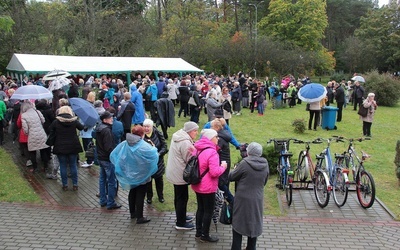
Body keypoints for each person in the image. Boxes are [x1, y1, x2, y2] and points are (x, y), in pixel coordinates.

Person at [110, 125, 158, 224]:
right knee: (140, 194)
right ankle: (140, 217)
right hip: (142, 175)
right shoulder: (144, 145)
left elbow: (116, 155)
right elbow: (153, 155)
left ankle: (133, 213)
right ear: (142, 134)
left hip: (130, 174)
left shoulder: (125, 143)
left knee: (132, 192)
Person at [228, 142, 269, 250]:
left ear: (248, 151)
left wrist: (235, 168)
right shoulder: (265, 163)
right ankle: (251, 247)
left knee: (238, 225)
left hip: (242, 199)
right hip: (257, 198)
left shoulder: (244, 163)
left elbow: (231, 176)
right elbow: (264, 181)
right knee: (254, 224)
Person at [192, 129, 226, 243]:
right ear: (211, 138)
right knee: (208, 211)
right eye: (216, 136)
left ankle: (198, 232)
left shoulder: (198, 148)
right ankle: (205, 235)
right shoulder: (212, 152)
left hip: (197, 183)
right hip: (207, 186)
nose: (218, 138)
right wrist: (223, 167)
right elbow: (214, 172)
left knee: (200, 209)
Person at [166, 121, 199, 230]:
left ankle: (181, 216)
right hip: (180, 174)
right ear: (189, 131)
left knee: (179, 196)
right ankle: (180, 223)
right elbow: (190, 159)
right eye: (195, 131)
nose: (196, 133)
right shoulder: (185, 142)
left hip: (175, 171)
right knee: (182, 198)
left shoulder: (179, 136)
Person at [48, 106, 84, 191]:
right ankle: (75, 184)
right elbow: (82, 127)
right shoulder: (74, 121)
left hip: (60, 146)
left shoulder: (56, 122)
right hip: (73, 146)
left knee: (63, 165)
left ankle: (65, 185)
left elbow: (50, 130)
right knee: (73, 165)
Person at [95, 111, 121, 210]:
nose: (112, 119)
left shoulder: (99, 128)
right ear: (105, 120)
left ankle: (103, 200)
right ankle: (110, 202)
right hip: (107, 159)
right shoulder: (107, 130)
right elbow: (108, 147)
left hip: (101, 158)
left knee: (102, 180)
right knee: (111, 181)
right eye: (110, 118)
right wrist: (114, 156)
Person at [143, 119, 168, 204]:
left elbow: (165, 146)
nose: (146, 128)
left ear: (152, 127)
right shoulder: (142, 136)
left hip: (158, 162)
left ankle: (160, 196)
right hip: (147, 164)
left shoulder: (158, 133)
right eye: (145, 126)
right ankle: (149, 197)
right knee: (148, 182)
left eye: (148, 126)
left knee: (159, 181)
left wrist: (159, 154)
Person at [21, 101, 50, 172]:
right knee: (43, 150)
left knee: (32, 152)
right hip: (41, 133)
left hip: (32, 135)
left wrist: (27, 133)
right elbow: (43, 120)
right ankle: (45, 166)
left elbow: (25, 128)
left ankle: (35, 167)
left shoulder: (24, 115)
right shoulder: (37, 112)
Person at [210, 118, 233, 203]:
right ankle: (225, 200)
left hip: (221, 163)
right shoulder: (224, 135)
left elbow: (214, 150)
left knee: (221, 183)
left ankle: (232, 201)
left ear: (216, 127)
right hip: (226, 161)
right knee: (224, 182)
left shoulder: (219, 138)